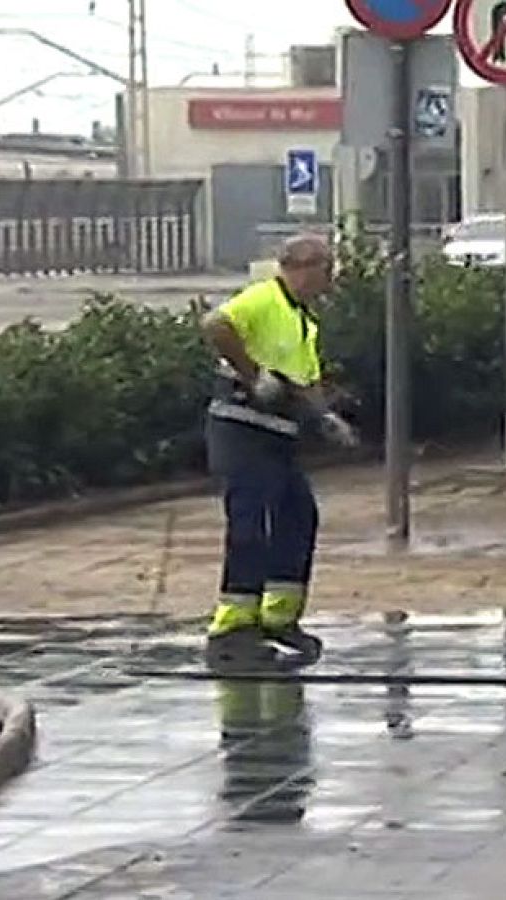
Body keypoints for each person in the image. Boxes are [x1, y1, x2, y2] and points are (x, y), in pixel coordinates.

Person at [200, 234, 358, 672]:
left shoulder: (300, 318)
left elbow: (303, 381)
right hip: (241, 431)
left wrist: (324, 417)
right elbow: (216, 325)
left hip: (277, 435)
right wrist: (253, 377)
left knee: (297, 515)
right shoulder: (264, 299)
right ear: (302, 267)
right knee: (251, 524)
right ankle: (232, 630)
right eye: (327, 270)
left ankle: (278, 618)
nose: (330, 281)